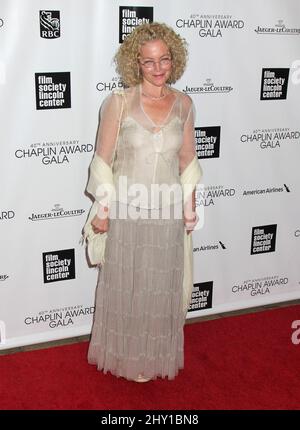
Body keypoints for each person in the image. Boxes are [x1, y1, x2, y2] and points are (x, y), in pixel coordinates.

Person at [85, 22, 203, 382]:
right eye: (149, 61)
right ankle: (125, 356)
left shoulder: (184, 104)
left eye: (164, 59)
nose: (158, 68)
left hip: (166, 213)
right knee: (128, 284)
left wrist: (190, 203)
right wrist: (103, 210)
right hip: (126, 210)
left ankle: (152, 357)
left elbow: (188, 160)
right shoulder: (118, 103)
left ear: (174, 60)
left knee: (159, 286)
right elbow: (102, 161)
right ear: (136, 63)